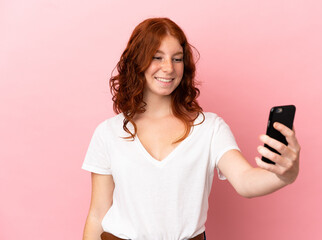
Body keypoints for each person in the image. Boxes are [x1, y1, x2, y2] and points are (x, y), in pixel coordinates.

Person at [82, 17, 300, 240]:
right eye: (157, 57)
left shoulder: (209, 128)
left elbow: (245, 181)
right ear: (138, 62)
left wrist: (285, 175)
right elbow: (97, 214)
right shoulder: (108, 132)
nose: (168, 68)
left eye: (177, 59)